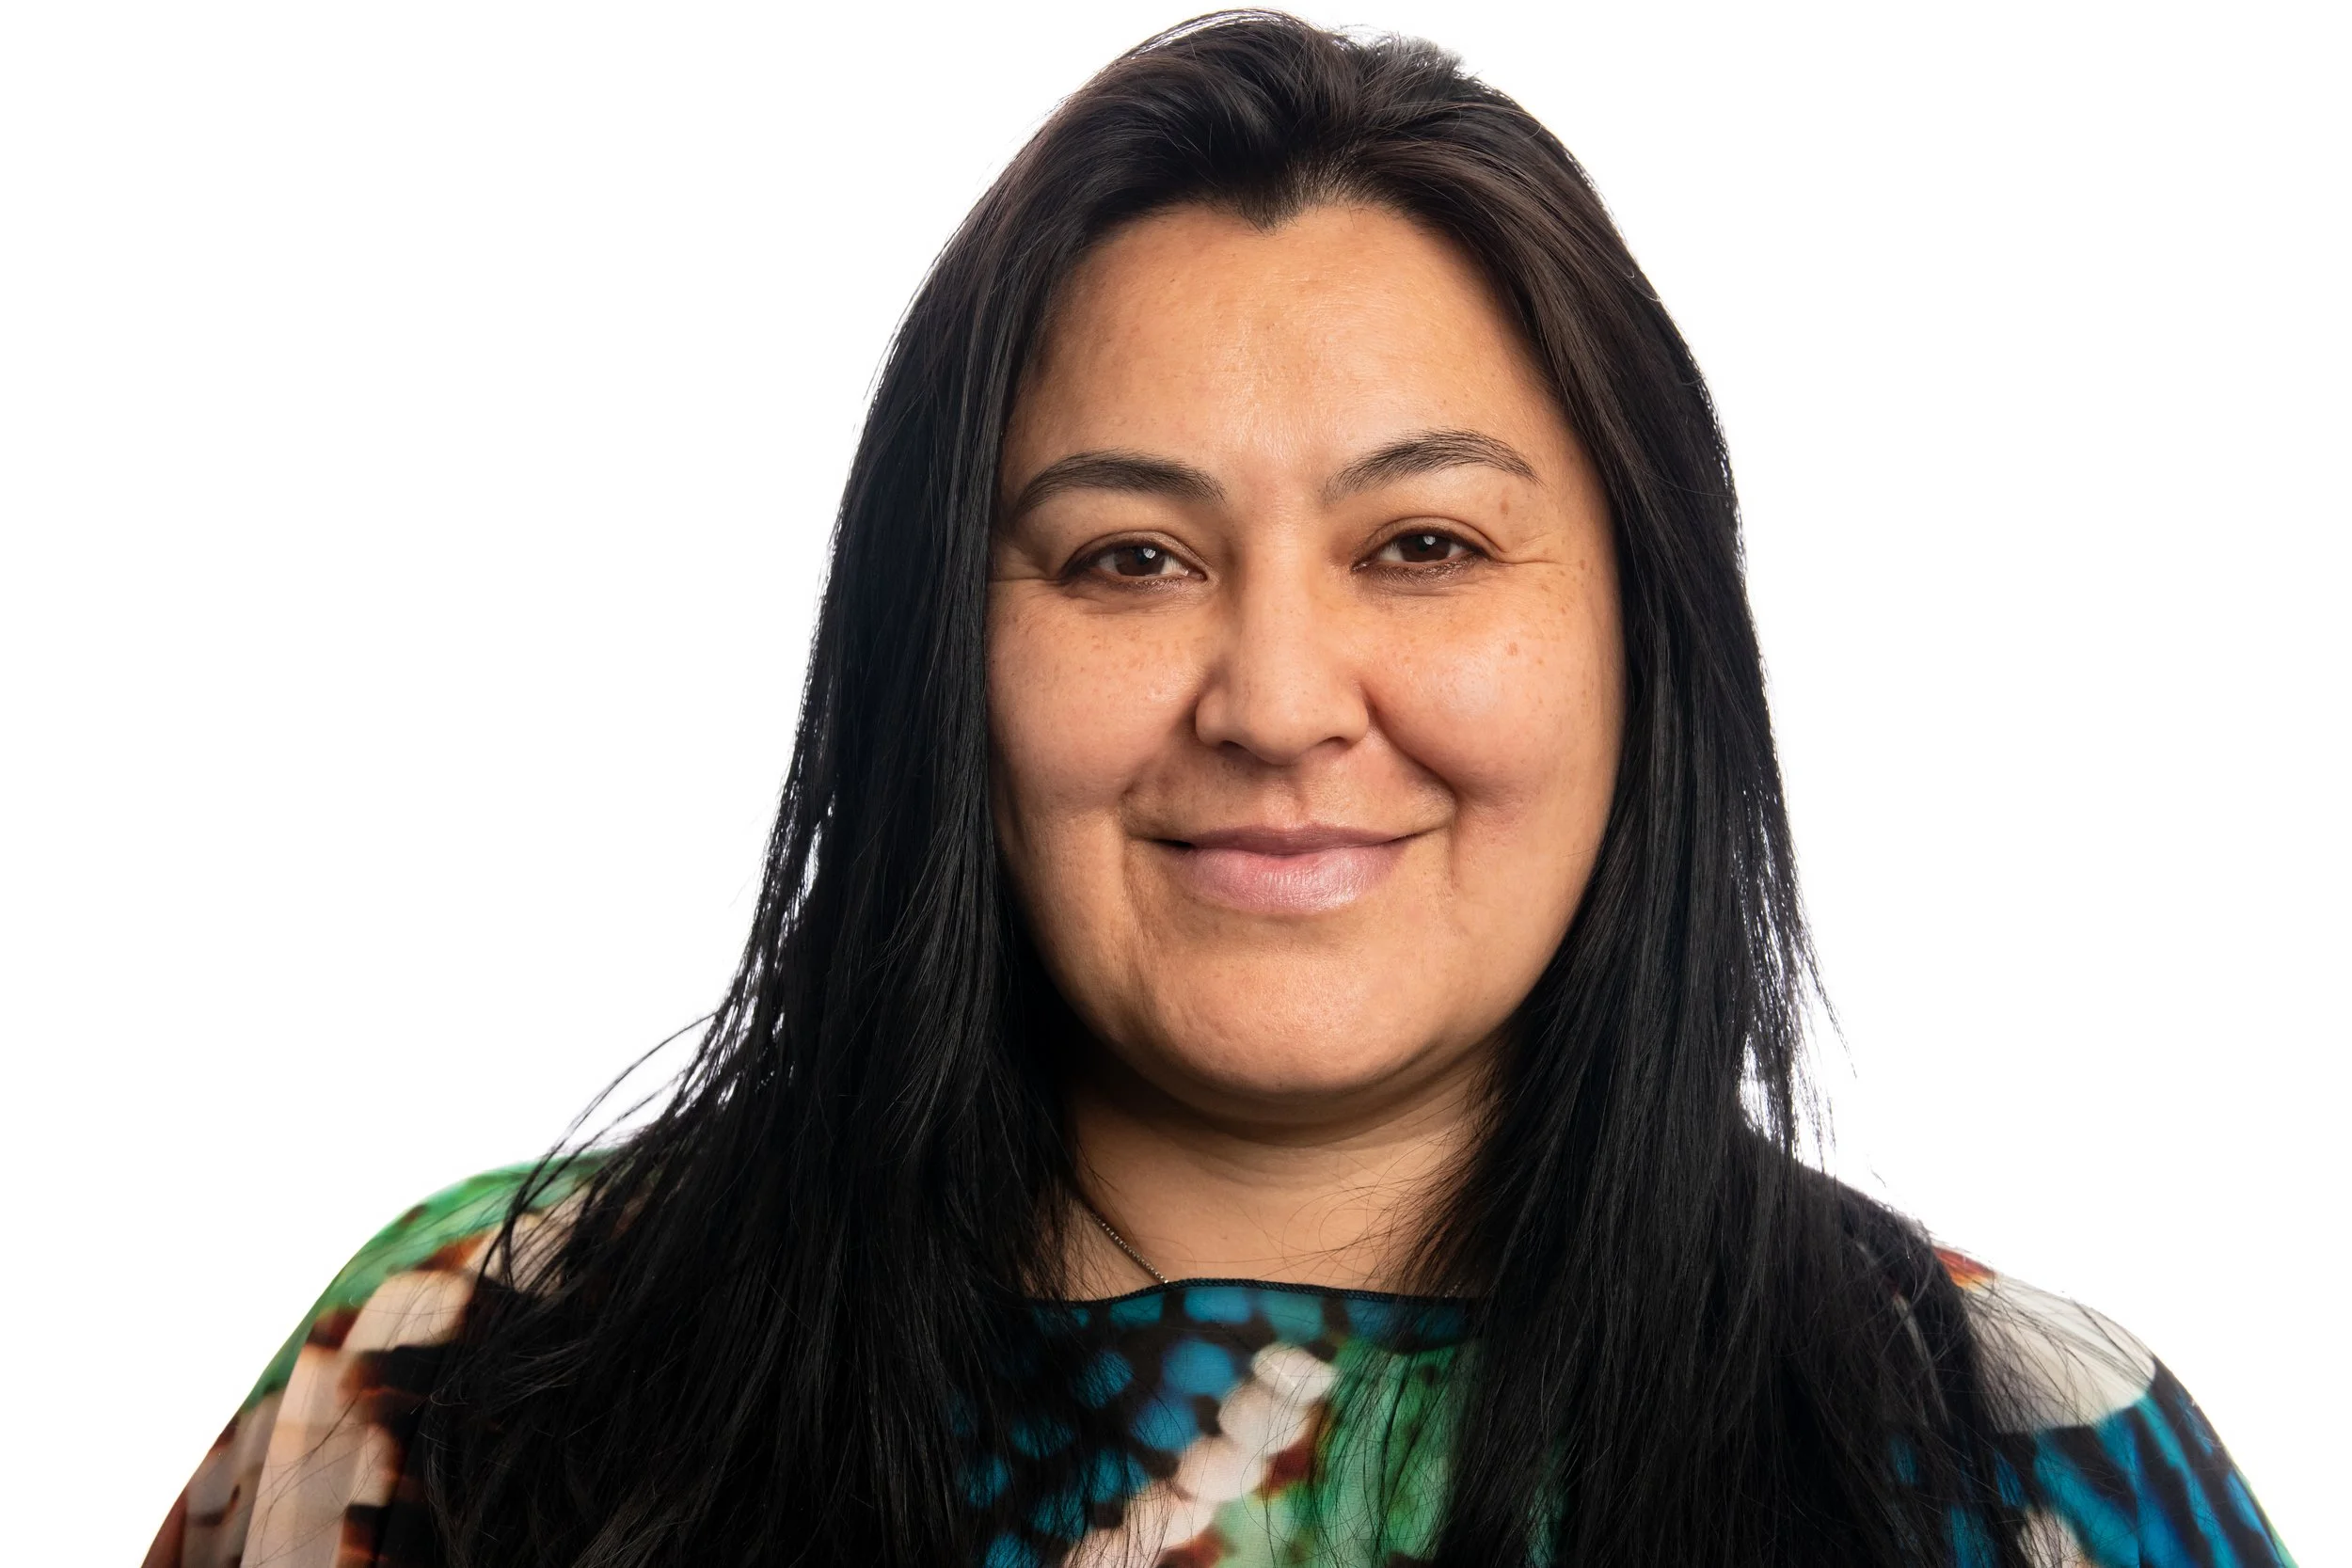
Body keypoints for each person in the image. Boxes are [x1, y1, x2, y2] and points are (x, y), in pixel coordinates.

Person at [145, 14, 2294, 1568]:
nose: (1273, 700)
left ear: (1650, 643)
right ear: (936, 648)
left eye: (1422, 545)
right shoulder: (464, 1384)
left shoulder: (2019, 1468)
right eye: (1127, 559)